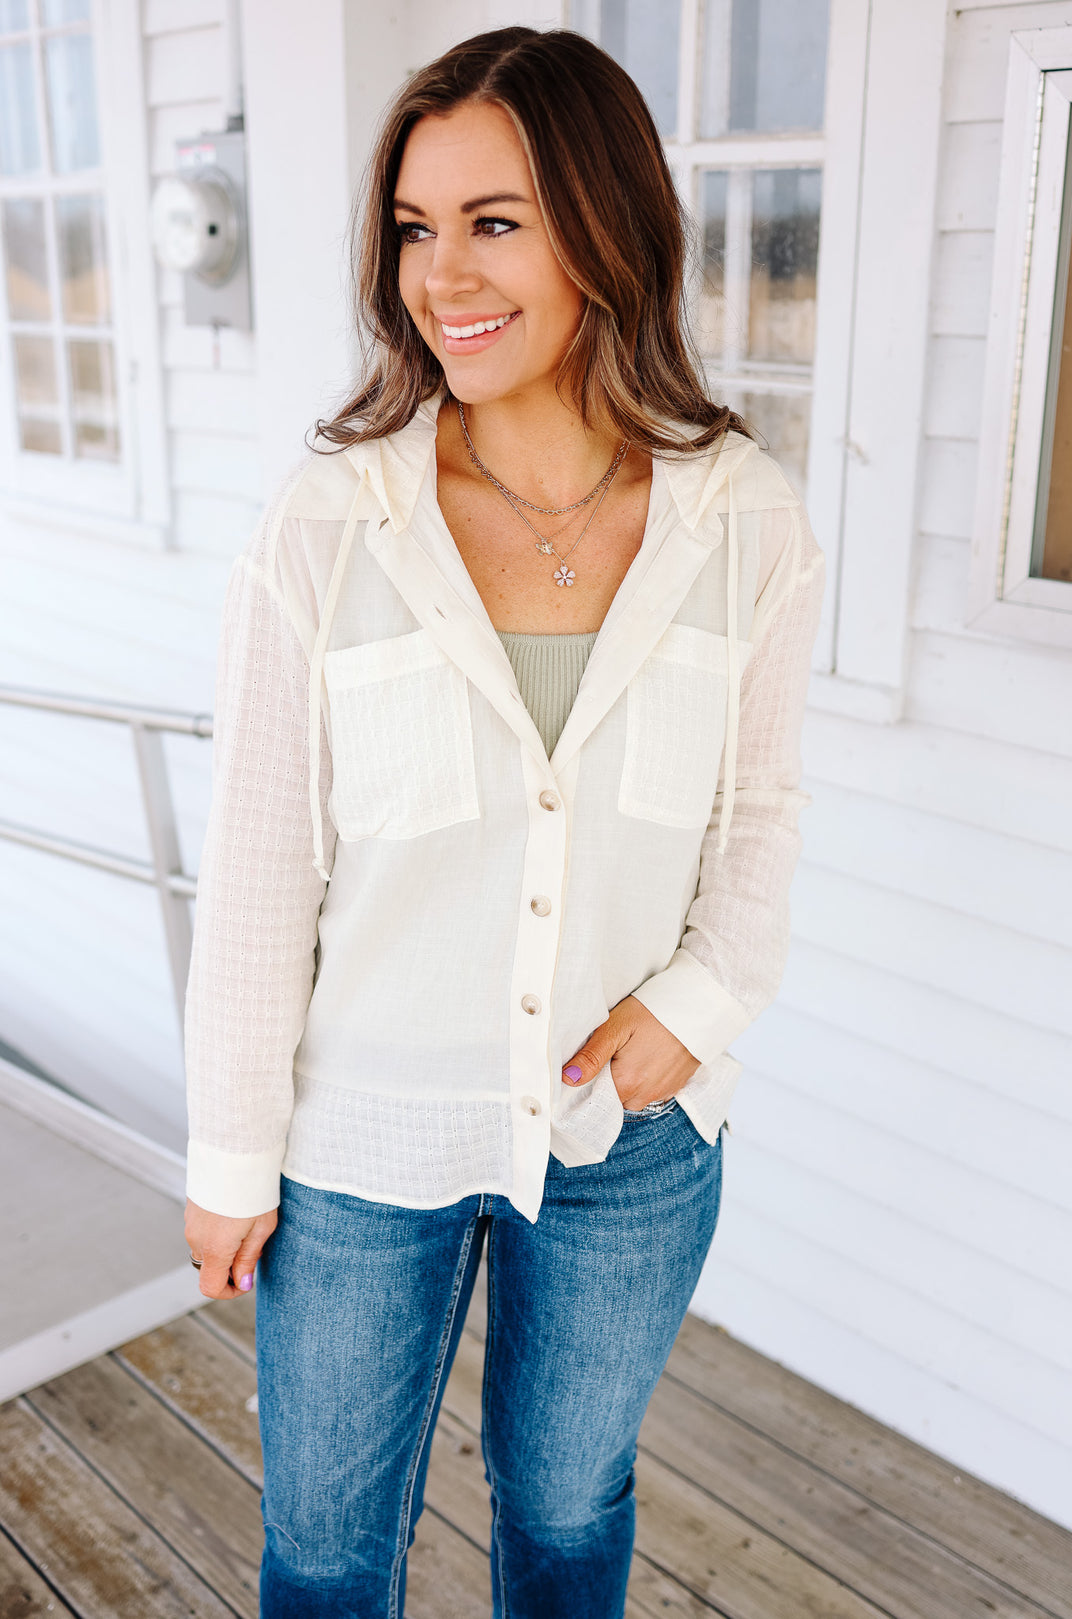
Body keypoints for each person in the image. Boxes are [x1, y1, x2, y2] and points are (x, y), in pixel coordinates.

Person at [183, 25, 825, 1619]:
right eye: (416, 227)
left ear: (607, 228)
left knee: (565, 1504)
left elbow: (760, 814)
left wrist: (699, 1006)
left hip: (626, 1140)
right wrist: (232, 1151)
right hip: (359, 1145)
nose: (441, 275)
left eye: (494, 222)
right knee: (329, 1546)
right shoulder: (329, 526)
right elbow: (259, 869)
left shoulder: (744, 519)